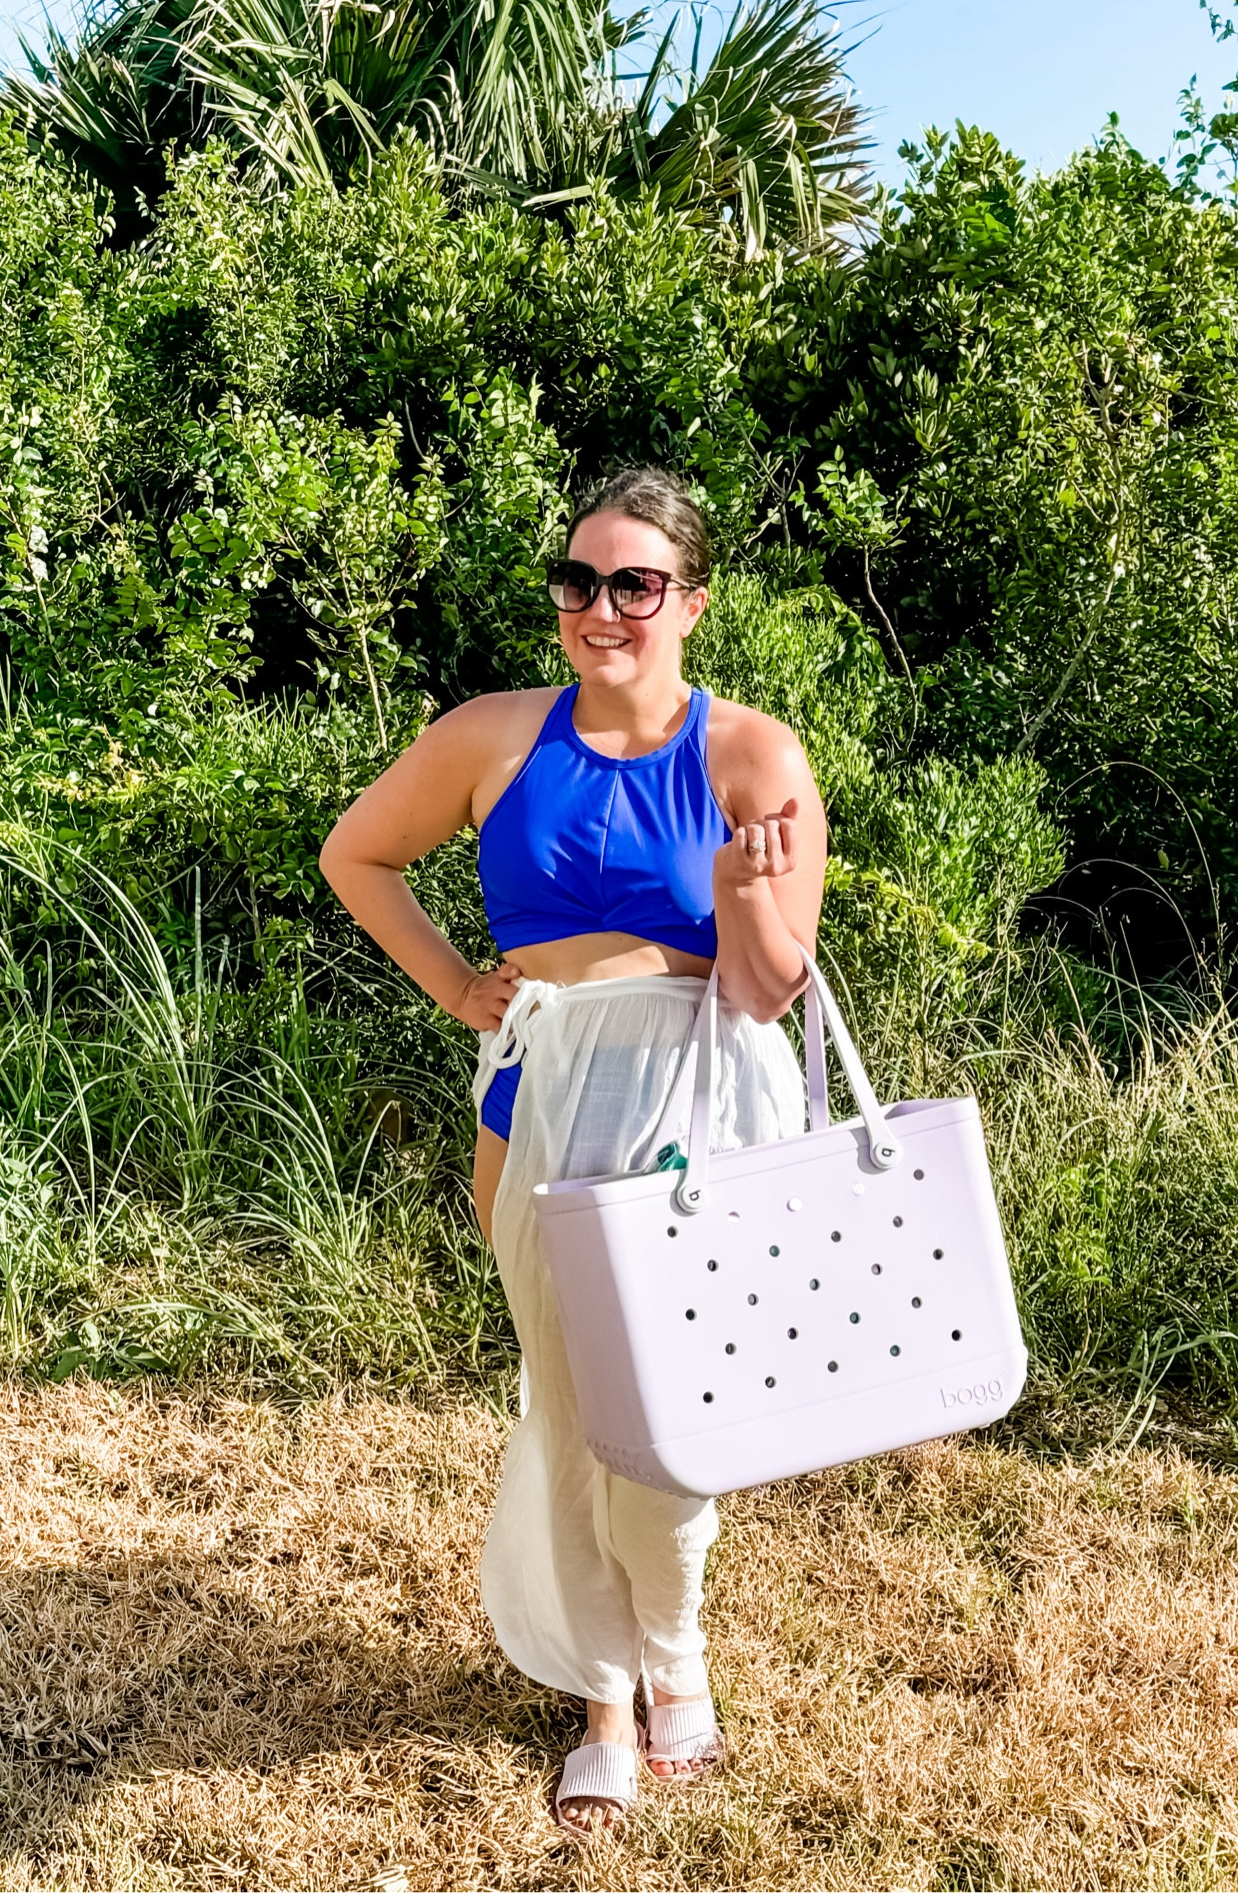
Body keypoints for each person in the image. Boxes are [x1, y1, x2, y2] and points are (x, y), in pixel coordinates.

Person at [319, 466, 825, 1836]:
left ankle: (682, 1656)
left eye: (635, 583)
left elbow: (777, 985)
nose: (601, 607)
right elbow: (356, 854)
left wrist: (737, 896)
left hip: (700, 1102)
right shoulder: (490, 734)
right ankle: (608, 1698)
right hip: (538, 1096)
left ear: (691, 601)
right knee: (571, 1416)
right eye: (579, 580)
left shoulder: (754, 758)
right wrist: (456, 990)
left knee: (673, 1437)